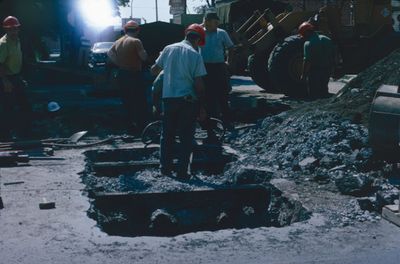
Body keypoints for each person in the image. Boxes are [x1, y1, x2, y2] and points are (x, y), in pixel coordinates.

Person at [151, 24, 207, 180]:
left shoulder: (168, 49)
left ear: (186, 35)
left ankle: (165, 169)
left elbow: (154, 70)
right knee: (186, 136)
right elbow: (199, 85)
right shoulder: (195, 55)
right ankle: (182, 172)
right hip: (188, 101)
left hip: (169, 99)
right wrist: (202, 106)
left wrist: (168, 68)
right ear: (198, 40)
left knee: (167, 135)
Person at [107, 20, 148, 133]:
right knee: (139, 101)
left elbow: (109, 53)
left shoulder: (118, 41)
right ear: (137, 30)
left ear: (125, 30)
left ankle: (129, 127)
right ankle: (141, 127)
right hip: (134, 74)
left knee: (127, 101)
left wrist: (119, 63)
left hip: (122, 74)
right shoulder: (136, 41)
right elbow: (143, 57)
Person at [200, 12, 235, 142]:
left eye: (213, 22)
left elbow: (231, 47)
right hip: (204, 67)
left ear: (216, 22)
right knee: (207, 97)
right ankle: (209, 125)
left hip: (219, 67)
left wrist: (229, 62)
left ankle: (227, 122)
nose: (210, 24)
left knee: (223, 95)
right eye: (207, 22)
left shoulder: (221, 33)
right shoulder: (200, 32)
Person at [0, 16, 32, 140]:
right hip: (6, 79)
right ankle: (5, 136)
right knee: (8, 108)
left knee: (24, 105)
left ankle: (24, 134)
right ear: (6, 30)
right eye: (11, 29)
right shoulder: (3, 44)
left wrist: (20, 78)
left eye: (16, 29)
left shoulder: (17, 40)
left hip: (15, 76)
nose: (14, 31)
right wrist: (5, 81)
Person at [299, 22, 335, 98]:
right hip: (327, 69)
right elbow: (334, 54)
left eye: (303, 34)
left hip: (315, 71)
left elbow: (307, 61)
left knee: (314, 93)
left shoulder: (308, 44)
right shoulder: (326, 39)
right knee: (324, 90)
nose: (303, 37)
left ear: (307, 32)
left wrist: (303, 75)